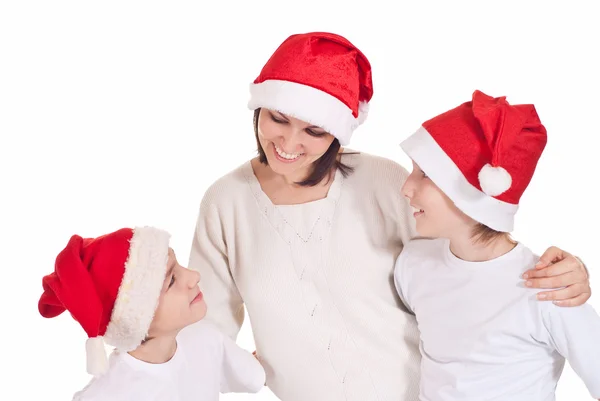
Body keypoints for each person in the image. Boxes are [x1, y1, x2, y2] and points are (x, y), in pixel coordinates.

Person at [187, 32, 591, 401]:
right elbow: (204, 336)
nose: (289, 143)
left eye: (314, 130)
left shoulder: (382, 181)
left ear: (338, 132)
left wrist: (564, 274)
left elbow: (470, 262)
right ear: (258, 107)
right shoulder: (225, 204)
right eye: (277, 119)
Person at [394, 90, 600, 400]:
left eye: (425, 174)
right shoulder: (413, 264)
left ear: (470, 192)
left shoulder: (548, 287)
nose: (406, 188)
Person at [38, 226, 265, 401]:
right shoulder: (106, 395)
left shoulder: (207, 339)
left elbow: (256, 376)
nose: (193, 276)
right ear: (135, 318)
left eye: (179, 265)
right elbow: (255, 376)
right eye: (172, 279)